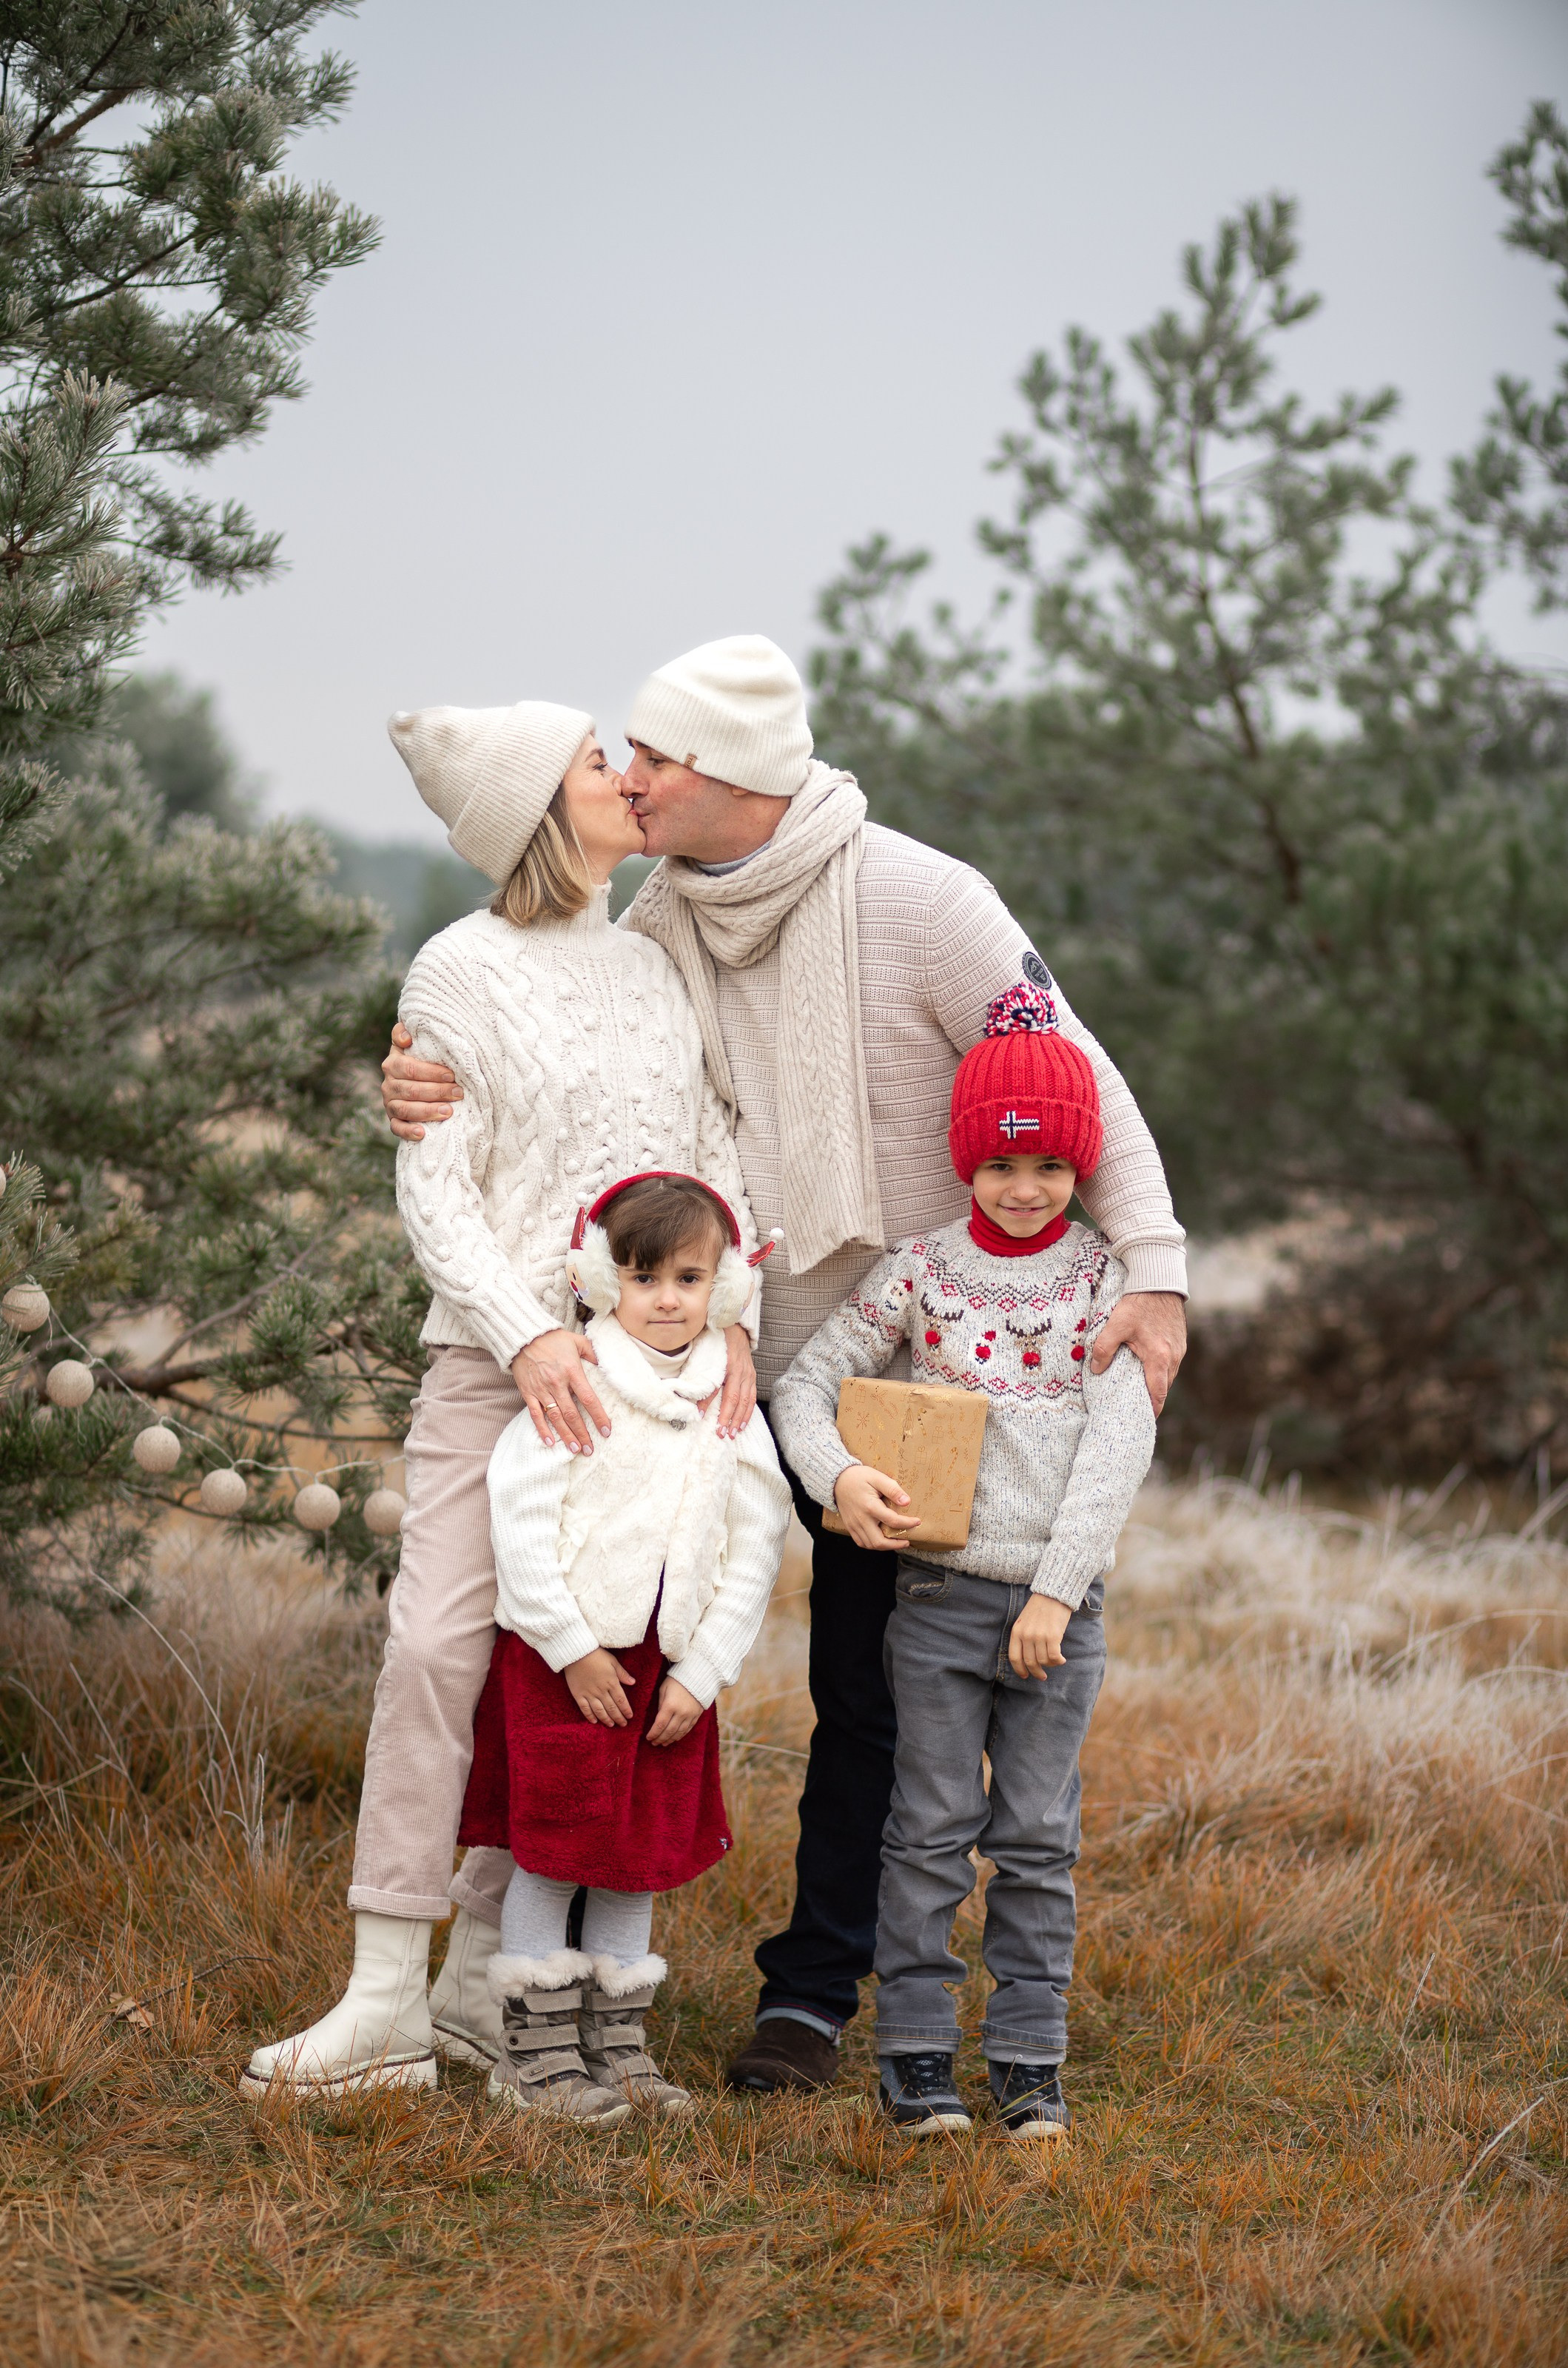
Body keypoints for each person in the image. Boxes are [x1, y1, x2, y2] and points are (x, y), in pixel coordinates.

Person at [380, 633, 1187, 2094]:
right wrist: (417, 1070)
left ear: (730, 775)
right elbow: (572, 1043)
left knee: (888, 1693)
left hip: (927, 1376)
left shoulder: (923, 901)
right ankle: (522, 1986)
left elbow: (1079, 1081)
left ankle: (819, 1999)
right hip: (737, 1373)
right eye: (613, 756)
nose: (627, 776)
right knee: (653, 1656)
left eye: (653, 756)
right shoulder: (663, 912)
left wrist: (1163, 1275)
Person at [243, 702, 760, 2099]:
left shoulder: (655, 957)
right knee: (438, 1652)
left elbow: (711, 1159)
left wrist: (742, 1325)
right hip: (497, 1364)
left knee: (587, 1655)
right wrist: (532, 1334)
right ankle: (380, 2000)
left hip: (649, 1384)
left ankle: (490, 1976)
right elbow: (437, 1186)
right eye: (598, 761)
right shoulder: (457, 969)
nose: (626, 775)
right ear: (537, 805)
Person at [770, 983, 1155, 2139]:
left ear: (1080, 1167)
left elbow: (1119, 1440)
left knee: (1036, 1838)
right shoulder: (921, 1274)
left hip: (1054, 1613)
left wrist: (1055, 1588)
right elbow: (805, 1382)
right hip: (933, 1602)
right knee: (928, 1829)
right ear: (966, 1165)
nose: (1025, 1189)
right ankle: (917, 2058)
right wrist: (839, 1478)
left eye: (1048, 1168)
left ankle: (1030, 2060)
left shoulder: (1101, 1282)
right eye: (999, 1166)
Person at [460, 1171, 791, 2126]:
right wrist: (569, 1647)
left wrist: (704, 1671)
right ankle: (540, 2052)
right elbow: (519, 1520)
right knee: (557, 1848)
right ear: (606, 1282)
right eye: (643, 1278)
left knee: (634, 1855)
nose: (667, 1298)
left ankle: (620, 2044)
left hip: (669, 1672)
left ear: (722, 1288)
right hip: (567, 1661)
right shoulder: (579, 1386)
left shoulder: (727, 1407)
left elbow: (755, 1542)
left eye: (690, 1278)